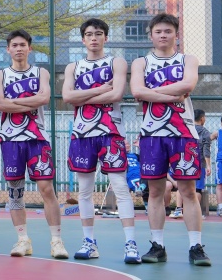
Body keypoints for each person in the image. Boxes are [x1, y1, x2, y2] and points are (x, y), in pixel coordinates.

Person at [130, 12, 210, 266]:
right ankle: (157, 246)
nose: (163, 35)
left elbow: (187, 86)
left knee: (188, 191)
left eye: (168, 31)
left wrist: (150, 92)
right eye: (158, 31)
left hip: (183, 133)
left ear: (176, 34)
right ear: (151, 35)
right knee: (155, 191)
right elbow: (136, 90)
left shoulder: (188, 59)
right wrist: (170, 96)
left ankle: (196, 247)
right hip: (152, 135)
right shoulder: (141, 63)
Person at [62, 18, 140, 264]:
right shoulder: (73, 67)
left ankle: (131, 244)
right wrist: (99, 90)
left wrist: (81, 97)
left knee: (120, 187)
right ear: (83, 39)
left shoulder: (117, 62)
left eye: (98, 34)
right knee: (84, 191)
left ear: (105, 37)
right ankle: (89, 242)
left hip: (111, 132)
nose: (93, 38)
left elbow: (116, 94)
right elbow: (67, 97)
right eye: (89, 34)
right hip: (83, 134)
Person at [0, 29, 68, 260]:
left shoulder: (40, 72)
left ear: (29, 48)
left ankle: (57, 241)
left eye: (22, 45)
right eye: (14, 45)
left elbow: (44, 99)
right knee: (15, 192)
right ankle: (23, 239)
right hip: (11, 139)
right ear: (8, 49)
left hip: (37, 138)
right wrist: (29, 102)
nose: (18, 49)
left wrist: (13, 102)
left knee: (47, 189)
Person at [171, 109, 214, 219]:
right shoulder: (205, 132)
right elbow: (206, 151)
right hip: (199, 163)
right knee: (197, 189)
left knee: (182, 186)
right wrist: (208, 166)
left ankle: (178, 210)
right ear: (202, 118)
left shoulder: (185, 129)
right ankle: (194, 212)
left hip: (184, 161)